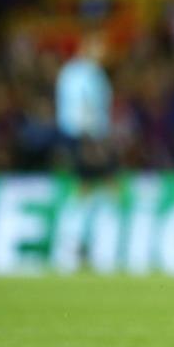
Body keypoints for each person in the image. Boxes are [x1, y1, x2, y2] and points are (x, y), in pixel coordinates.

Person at [54, 32, 115, 272]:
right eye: (101, 48)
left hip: (78, 137)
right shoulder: (87, 73)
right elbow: (85, 109)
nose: (105, 54)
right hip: (85, 138)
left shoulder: (70, 72)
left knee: (89, 192)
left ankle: (75, 248)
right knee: (92, 191)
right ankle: (78, 248)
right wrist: (93, 145)